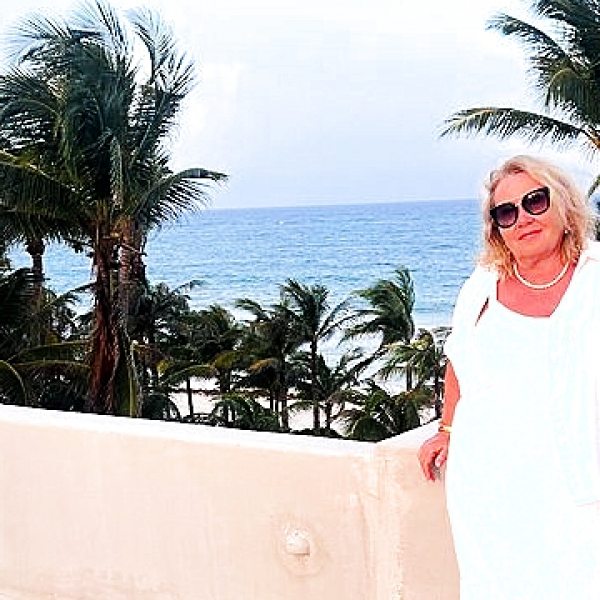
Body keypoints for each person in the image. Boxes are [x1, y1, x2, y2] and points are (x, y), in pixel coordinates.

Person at [418, 155, 600, 599]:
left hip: (573, 482)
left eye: (535, 201)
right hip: (490, 482)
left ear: (564, 205)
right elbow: (459, 359)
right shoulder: (482, 284)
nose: (523, 218)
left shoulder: (594, 278)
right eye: (506, 212)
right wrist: (446, 428)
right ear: (496, 229)